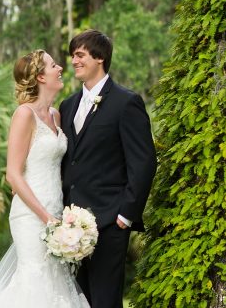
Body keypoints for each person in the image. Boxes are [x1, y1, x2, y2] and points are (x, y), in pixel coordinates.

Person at [0, 50, 88, 308]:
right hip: (30, 215)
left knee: (57, 283)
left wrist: (61, 218)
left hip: (56, 212)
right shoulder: (24, 115)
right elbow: (12, 174)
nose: (60, 67)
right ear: (40, 76)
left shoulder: (56, 116)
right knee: (35, 280)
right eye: (53, 65)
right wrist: (45, 217)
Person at [60, 29, 157, 308]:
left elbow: (144, 161)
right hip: (69, 229)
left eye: (80, 55)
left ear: (99, 57)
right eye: (72, 56)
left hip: (109, 223)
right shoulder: (67, 106)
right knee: (76, 300)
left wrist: (125, 215)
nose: (74, 61)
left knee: (104, 301)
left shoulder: (126, 103)